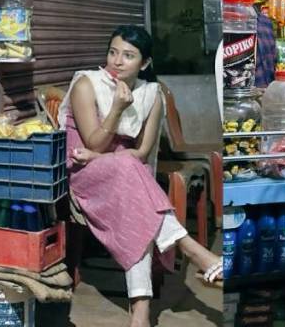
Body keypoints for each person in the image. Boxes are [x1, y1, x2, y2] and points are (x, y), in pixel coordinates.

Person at [58, 25, 222, 327]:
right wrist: (117, 110)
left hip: (122, 173)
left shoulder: (151, 94)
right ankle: (191, 248)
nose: (117, 61)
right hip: (84, 172)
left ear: (144, 63)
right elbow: (91, 143)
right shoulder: (86, 84)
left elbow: (143, 152)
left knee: (136, 201)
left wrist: (105, 157)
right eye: (113, 52)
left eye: (129, 56)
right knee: (131, 176)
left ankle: (141, 315)